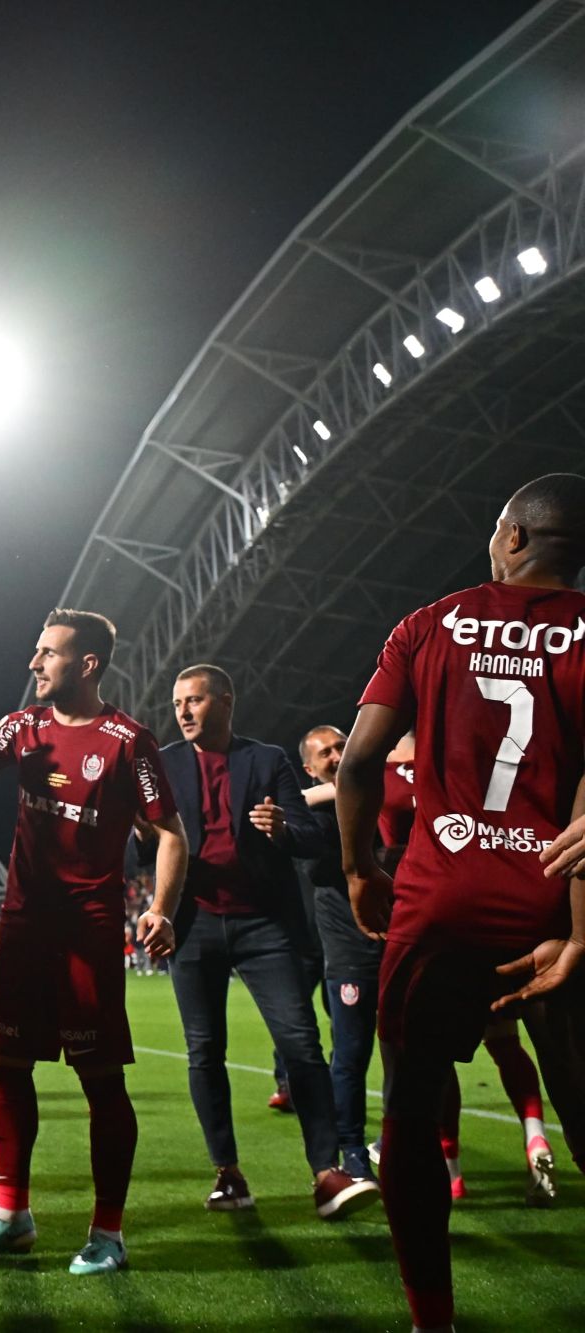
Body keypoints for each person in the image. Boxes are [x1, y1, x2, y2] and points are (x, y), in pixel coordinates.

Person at [337, 473, 585, 1333]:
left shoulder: (429, 623)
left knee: (410, 1107)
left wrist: (361, 868)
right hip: (556, 912)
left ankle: (431, 1320)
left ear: (514, 536)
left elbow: (358, 763)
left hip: (439, 901)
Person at [0, 609, 186, 1277]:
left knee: (100, 1077)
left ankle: (108, 1232)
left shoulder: (128, 742)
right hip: (23, 923)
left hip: (87, 929)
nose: (34, 662)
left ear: (86, 664)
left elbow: (170, 834)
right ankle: (12, 1215)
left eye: (48, 652)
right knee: (5, 1063)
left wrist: (161, 908)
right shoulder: (23, 727)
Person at [151, 666, 372, 1218]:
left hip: (265, 925)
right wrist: (139, 837)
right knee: (204, 1051)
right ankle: (227, 1174)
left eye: (194, 700)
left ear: (225, 701)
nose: (183, 712)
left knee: (300, 1044)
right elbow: (149, 847)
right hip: (194, 923)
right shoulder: (164, 764)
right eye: (177, 703)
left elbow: (314, 834)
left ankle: (326, 1172)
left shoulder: (267, 759)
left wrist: (283, 830)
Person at [295, 724, 384, 1188]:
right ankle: (351, 1151)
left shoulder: (380, 796)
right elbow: (294, 813)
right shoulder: (311, 820)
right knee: (350, 1056)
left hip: (399, 943)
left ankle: (399, 1139)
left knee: (415, 1053)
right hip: (349, 954)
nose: (335, 755)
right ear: (310, 768)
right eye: (324, 753)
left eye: (340, 747)